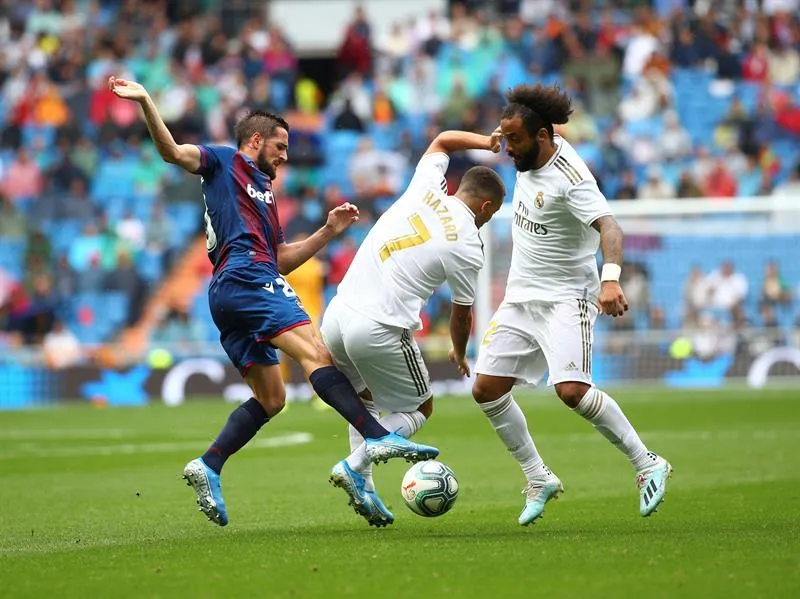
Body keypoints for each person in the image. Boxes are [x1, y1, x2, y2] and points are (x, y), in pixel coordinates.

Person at [108, 76, 438, 527]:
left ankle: (208, 465)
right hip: (245, 277)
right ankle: (376, 437)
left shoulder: (264, 194)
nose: (285, 155)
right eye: (280, 146)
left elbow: (281, 259)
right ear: (256, 140)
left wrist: (326, 232)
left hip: (236, 287)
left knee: (272, 398)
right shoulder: (223, 162)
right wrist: (147, 100)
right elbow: (172, 153)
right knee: (316, 352)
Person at [472, 84, 672, 526]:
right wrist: (500, 133)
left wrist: (611, 279)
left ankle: (647, 463)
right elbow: (519, 127)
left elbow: (610, 227)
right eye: (505, 140)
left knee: (571, 391)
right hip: (522, 296)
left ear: (543, 137)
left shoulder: (572, 178)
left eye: (515, 141)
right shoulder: (528, 145)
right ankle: (538, 477)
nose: (507, 149)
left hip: (567, 297)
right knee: (486, 389)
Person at [321, 128, 505, 527]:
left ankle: (365, 489)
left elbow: (441, 141)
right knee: (420, 407)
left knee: (365, 399)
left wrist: (485, 142)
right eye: (491, 214)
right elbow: (461, 313)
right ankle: (355, 465)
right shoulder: (469, 243)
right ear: (486, 207)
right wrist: (458, 349)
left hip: (337, 314)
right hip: (378, 327)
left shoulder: (426, 187)